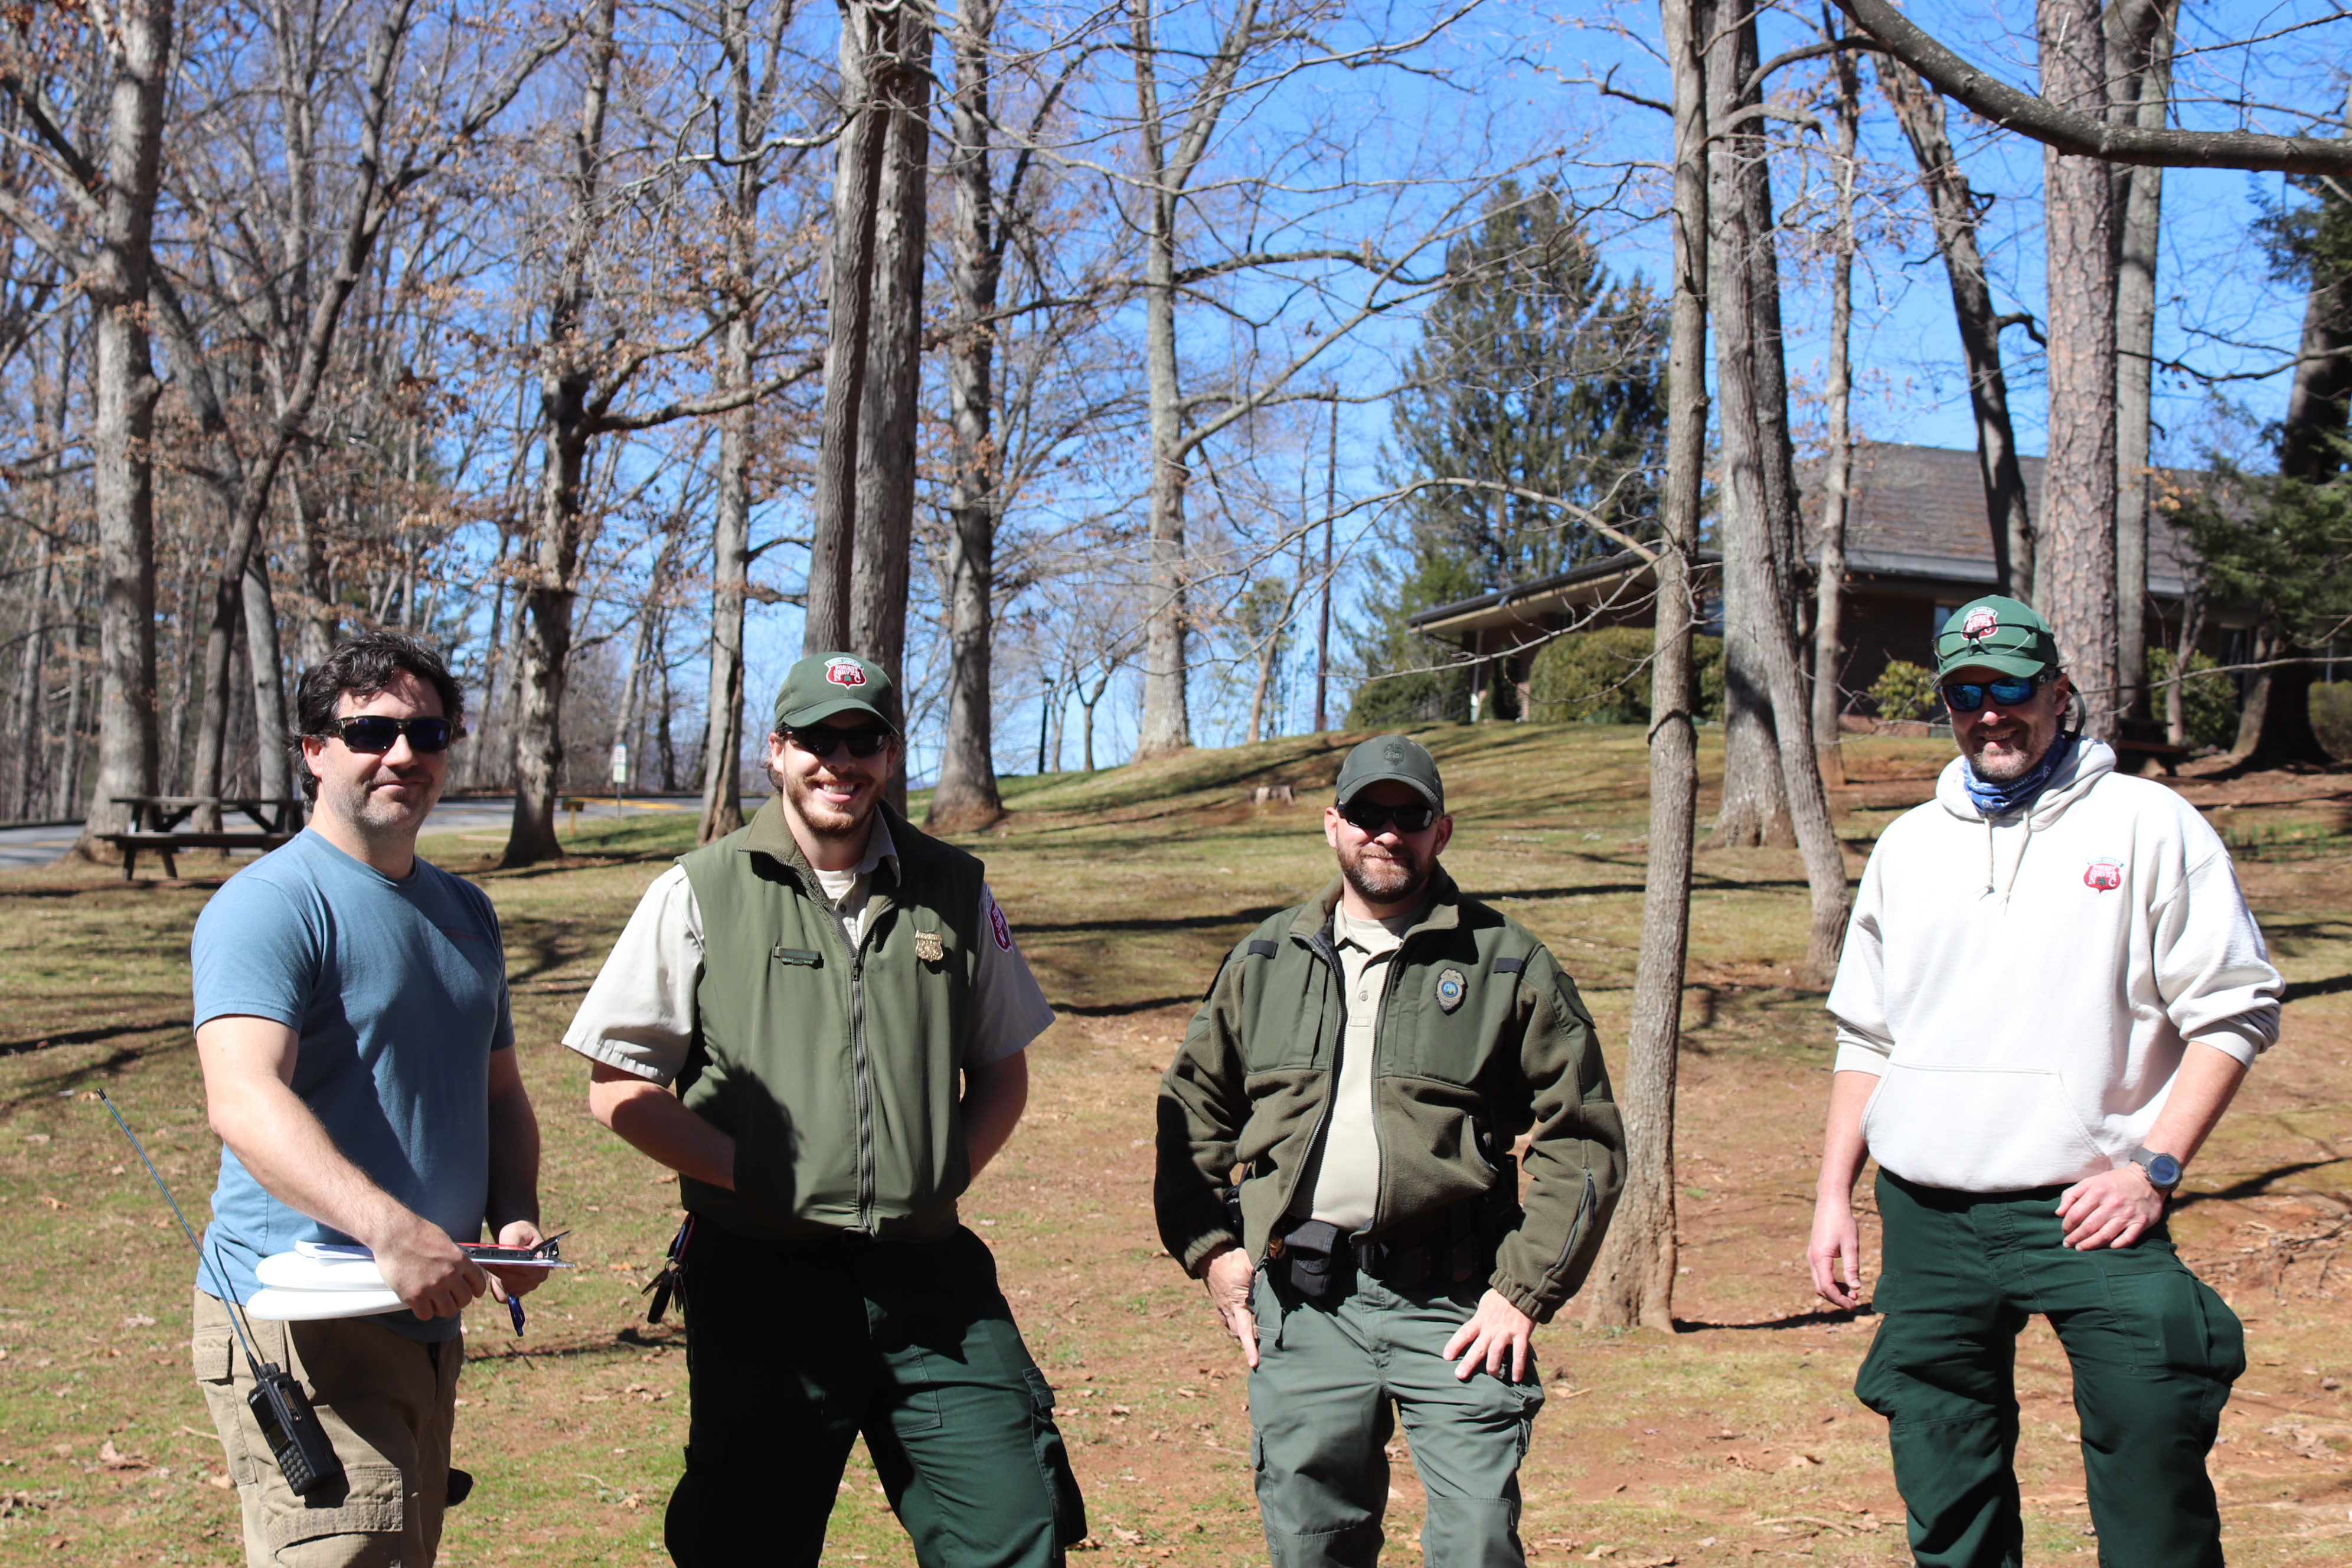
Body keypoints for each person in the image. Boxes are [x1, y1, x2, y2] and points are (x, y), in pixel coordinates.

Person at [564, 650, 1084, 1568]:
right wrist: (753, 1175)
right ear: (776, 751)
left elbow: (1002, 1070)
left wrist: (941, 1173)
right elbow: (619, 1090)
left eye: (864, 739)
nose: (840, 762)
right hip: (762, 1279)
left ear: (890, 754)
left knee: (1014, 1525)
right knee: (746, 1540)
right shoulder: (700, 890)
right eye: (817, 739)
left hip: (930, 1285)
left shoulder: (955, 888)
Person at [1808, 594, 2284, 1568]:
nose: (1992, 712)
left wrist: (2154, 1168)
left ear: (2059, 693)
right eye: (1966, 692)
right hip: (1929, 1214)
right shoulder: (1908, 847)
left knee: (2154, 1452)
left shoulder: (2149, 825)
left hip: (2089, 1205)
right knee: (1946, 1487)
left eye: (2013, 689)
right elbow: (1867, 1036)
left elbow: (2234, 1010)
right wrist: (1833, 1199)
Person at [1155, 734, 1626, 1568]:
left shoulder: (1506, 963)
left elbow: (1581, 1137)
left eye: (1410, 816)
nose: (1387, 832)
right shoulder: (1266, 959)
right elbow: (1191, 1108)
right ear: (1333, 825)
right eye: (1368, 813)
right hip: (1308, 1305)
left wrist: (1522, 1292)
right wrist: (1211, 1253)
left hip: (1456, 1306)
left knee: (1477, 1539)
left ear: (1441, 833)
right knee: (1312, 1544)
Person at [191, 632, 544, 1567]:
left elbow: (500, 1092)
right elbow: (242, 1096)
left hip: (429, 1304)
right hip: (304, 1317)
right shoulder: (270, 905)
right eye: (371, 731)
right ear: (315, 751)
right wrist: (390, 1230)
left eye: (427, 733)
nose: (403, 754)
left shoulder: (465, 910)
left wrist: (513, 1220)